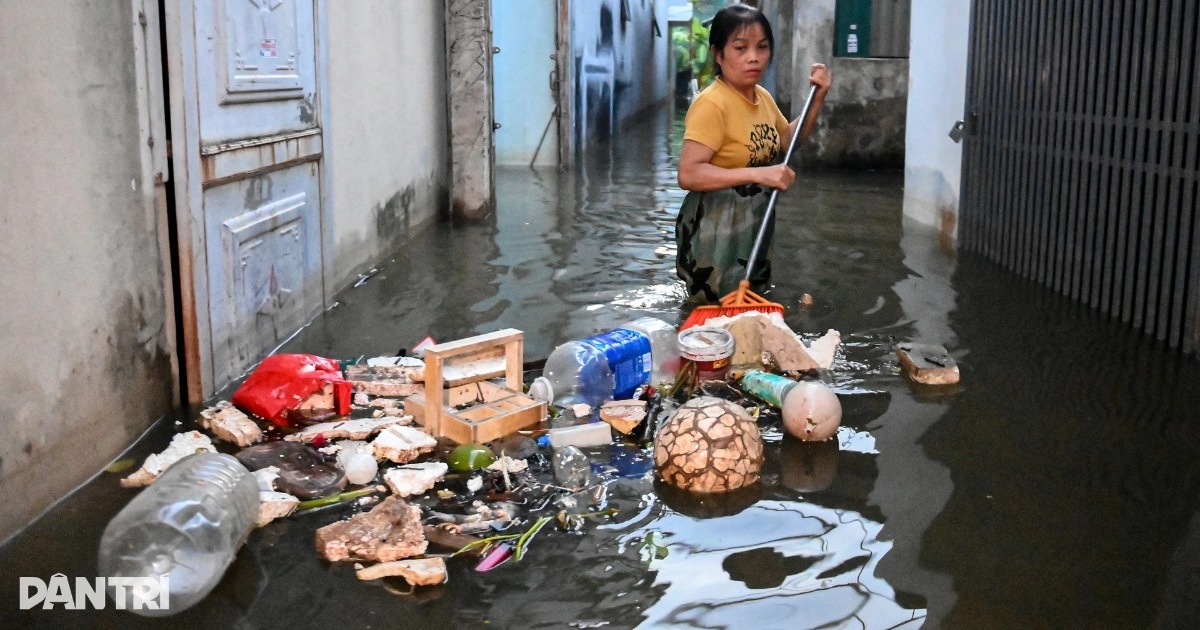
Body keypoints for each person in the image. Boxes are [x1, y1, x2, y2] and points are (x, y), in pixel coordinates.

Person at [676, 3, 831, 302]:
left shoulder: (762, 97)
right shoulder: (712, 104)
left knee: (750, 299)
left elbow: (787, 140)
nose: (754, 57)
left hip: (753, 220)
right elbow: (689, 173)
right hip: (714, 225)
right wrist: (761, 173)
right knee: (713, 307)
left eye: (762, 47)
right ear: (718, 54)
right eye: (740, 48)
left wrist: (818, 99)